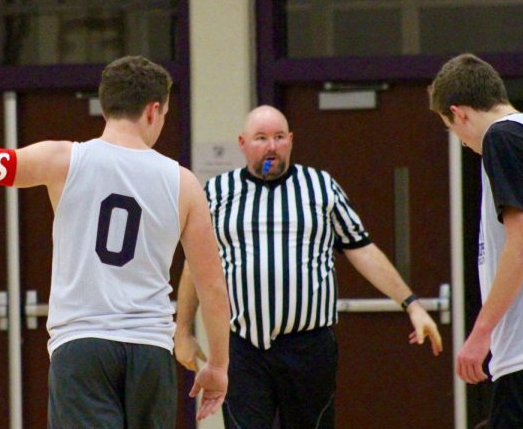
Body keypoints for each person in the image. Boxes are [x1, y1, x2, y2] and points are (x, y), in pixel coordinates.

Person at [0, 40, 230, 427]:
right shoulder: (185, 183)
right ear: (154, 109)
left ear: (106, 104)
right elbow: (212, 286)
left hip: (82, 347)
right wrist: (217, 365)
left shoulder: (64, 159)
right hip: (150, 349)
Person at [174, 105, 443, 429]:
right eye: (261, 138)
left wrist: (412, 305)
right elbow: (195, 264)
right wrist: (183, 330)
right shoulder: (218, 192)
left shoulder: (320, 187)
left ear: (290, 140)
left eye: (278, 137)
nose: (271, 146)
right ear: (243, 143)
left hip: (308, 348)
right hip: (242, 347)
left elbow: (362, 249)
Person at [429, 53, 523, 428]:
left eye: (451, 129)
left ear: (459, 113)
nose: (461, 142)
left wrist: (480, 334)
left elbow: (522, 246)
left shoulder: (501, 137)